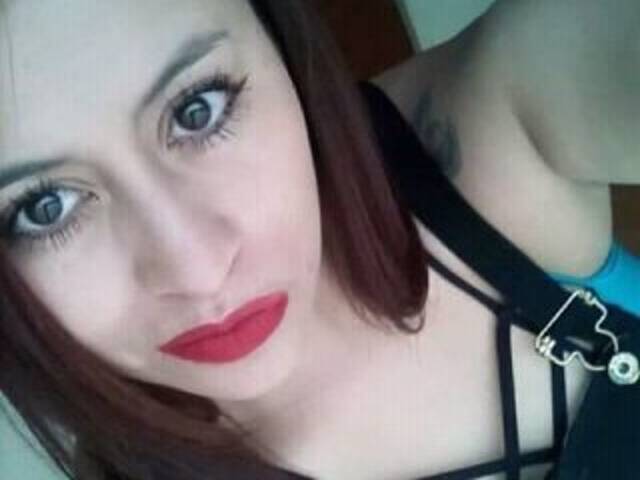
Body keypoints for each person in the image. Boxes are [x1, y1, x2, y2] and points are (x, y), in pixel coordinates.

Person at [0, 1, 639, 479]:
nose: (198, 270)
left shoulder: (484, 131)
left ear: (279, 40)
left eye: (198, 108)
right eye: (44, 208)